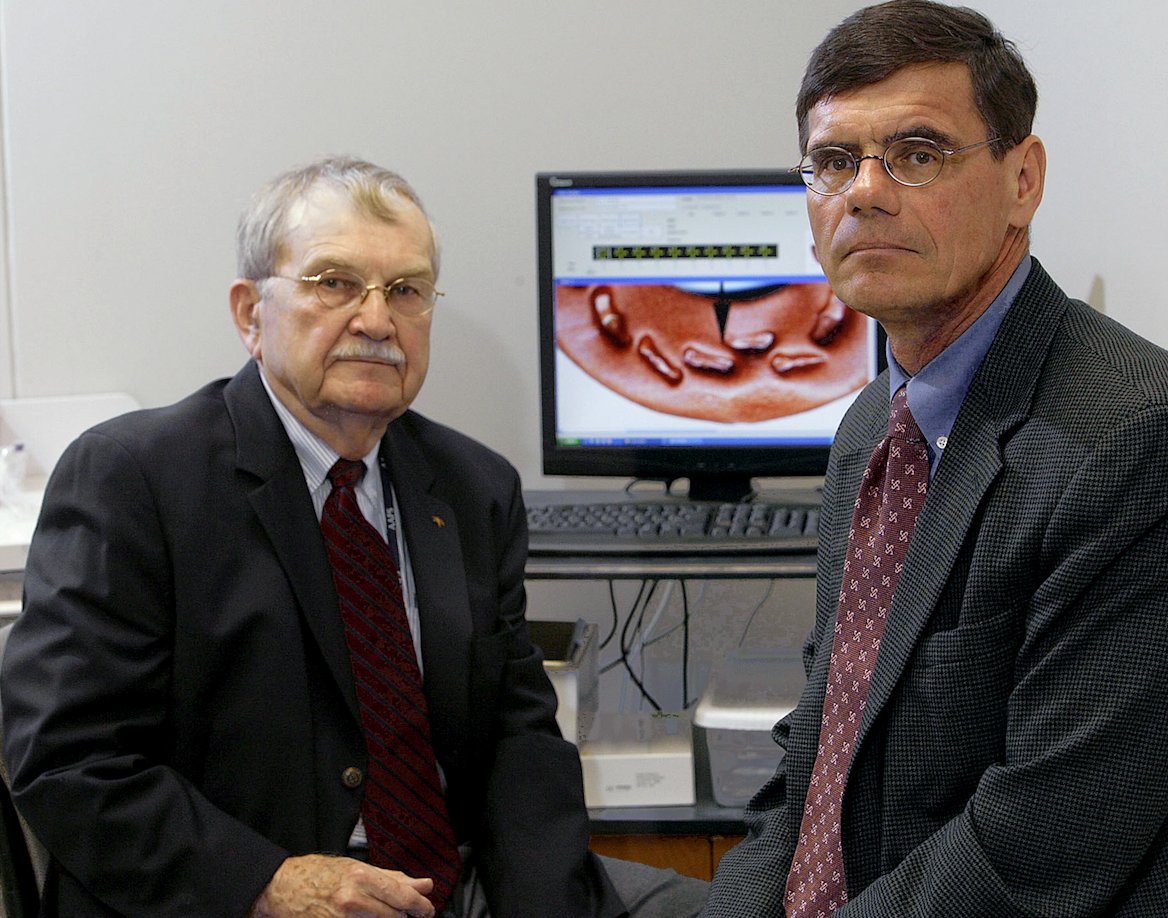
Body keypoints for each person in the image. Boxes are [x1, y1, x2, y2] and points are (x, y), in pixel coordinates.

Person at [0, 156, 707, 918]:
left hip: (449, 887)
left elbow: (519, 739)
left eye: (406, 290)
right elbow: (67, 760)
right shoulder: (133, 478)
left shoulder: (473, 487)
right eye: (333, 282)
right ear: (249, 314)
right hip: (239, 895)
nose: (376, 321)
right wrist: (268, 884)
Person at [702, 2, 1168, 916]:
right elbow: (821, 755)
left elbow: (1035, 849)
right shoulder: (870, 430)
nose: (865, 193)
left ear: (1023, 180)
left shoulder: (1144, 450)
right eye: (834, 162)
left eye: (919, 154)